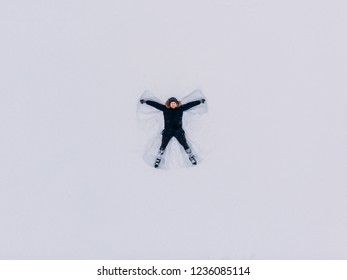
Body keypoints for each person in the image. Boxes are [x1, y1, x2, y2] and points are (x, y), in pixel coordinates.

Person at [140, 97, 206, 168]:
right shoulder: (165, 109)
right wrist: (146, 101)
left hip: (178, 131)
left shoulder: (180, 109)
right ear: (169, 104)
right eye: (172, 103)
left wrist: (199, 101)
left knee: (184, 144)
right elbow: (155, 105)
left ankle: (191, 157)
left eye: (174, 103)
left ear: (176, 104)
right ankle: (158, 159)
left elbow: (190, 105)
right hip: (168, 131)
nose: (173, 104)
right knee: (163, 145)